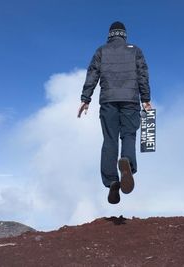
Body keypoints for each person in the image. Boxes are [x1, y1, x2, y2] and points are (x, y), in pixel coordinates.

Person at [77, 21, 152, 204]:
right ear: (124, 35)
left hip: (108, 101)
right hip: (130, 100)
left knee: (110, 140)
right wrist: (146, 99)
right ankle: (127, 163)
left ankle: (111, 181)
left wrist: (86, 98)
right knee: (128, 135)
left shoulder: (101, 50)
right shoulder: (135, 51)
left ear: (110, 35)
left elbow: (92, 73)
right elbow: (142, 74)